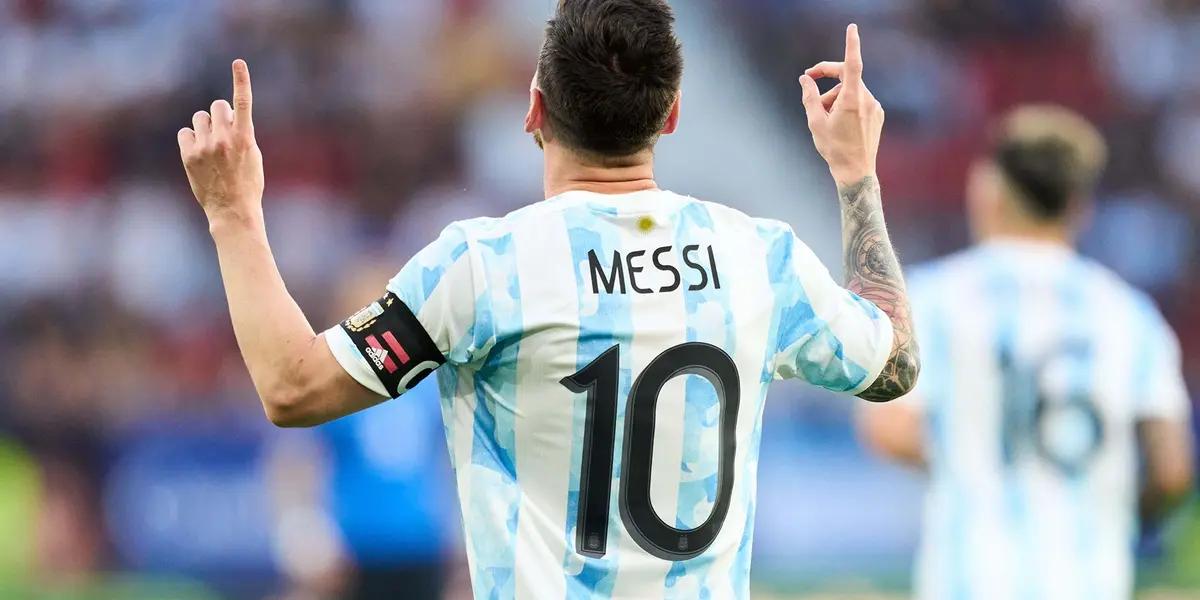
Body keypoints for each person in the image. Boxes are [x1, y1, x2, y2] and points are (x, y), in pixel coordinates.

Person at [176, 1, 919, 597]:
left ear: (533, 110)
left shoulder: (482, 267)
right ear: (670, 116)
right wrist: (856, 177)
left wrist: (234, 216)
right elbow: (894, 366)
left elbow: (294, 386)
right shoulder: (760, 257)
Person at [858, 105, 1195, 600]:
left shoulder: (935, 301)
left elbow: (887, 429)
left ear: (988, 191)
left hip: (970, 577)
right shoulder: (1131, 317)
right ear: (1080, 205)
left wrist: (981, 465)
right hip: (1090, 580)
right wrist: (1108, 503)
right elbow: (1171, 471)